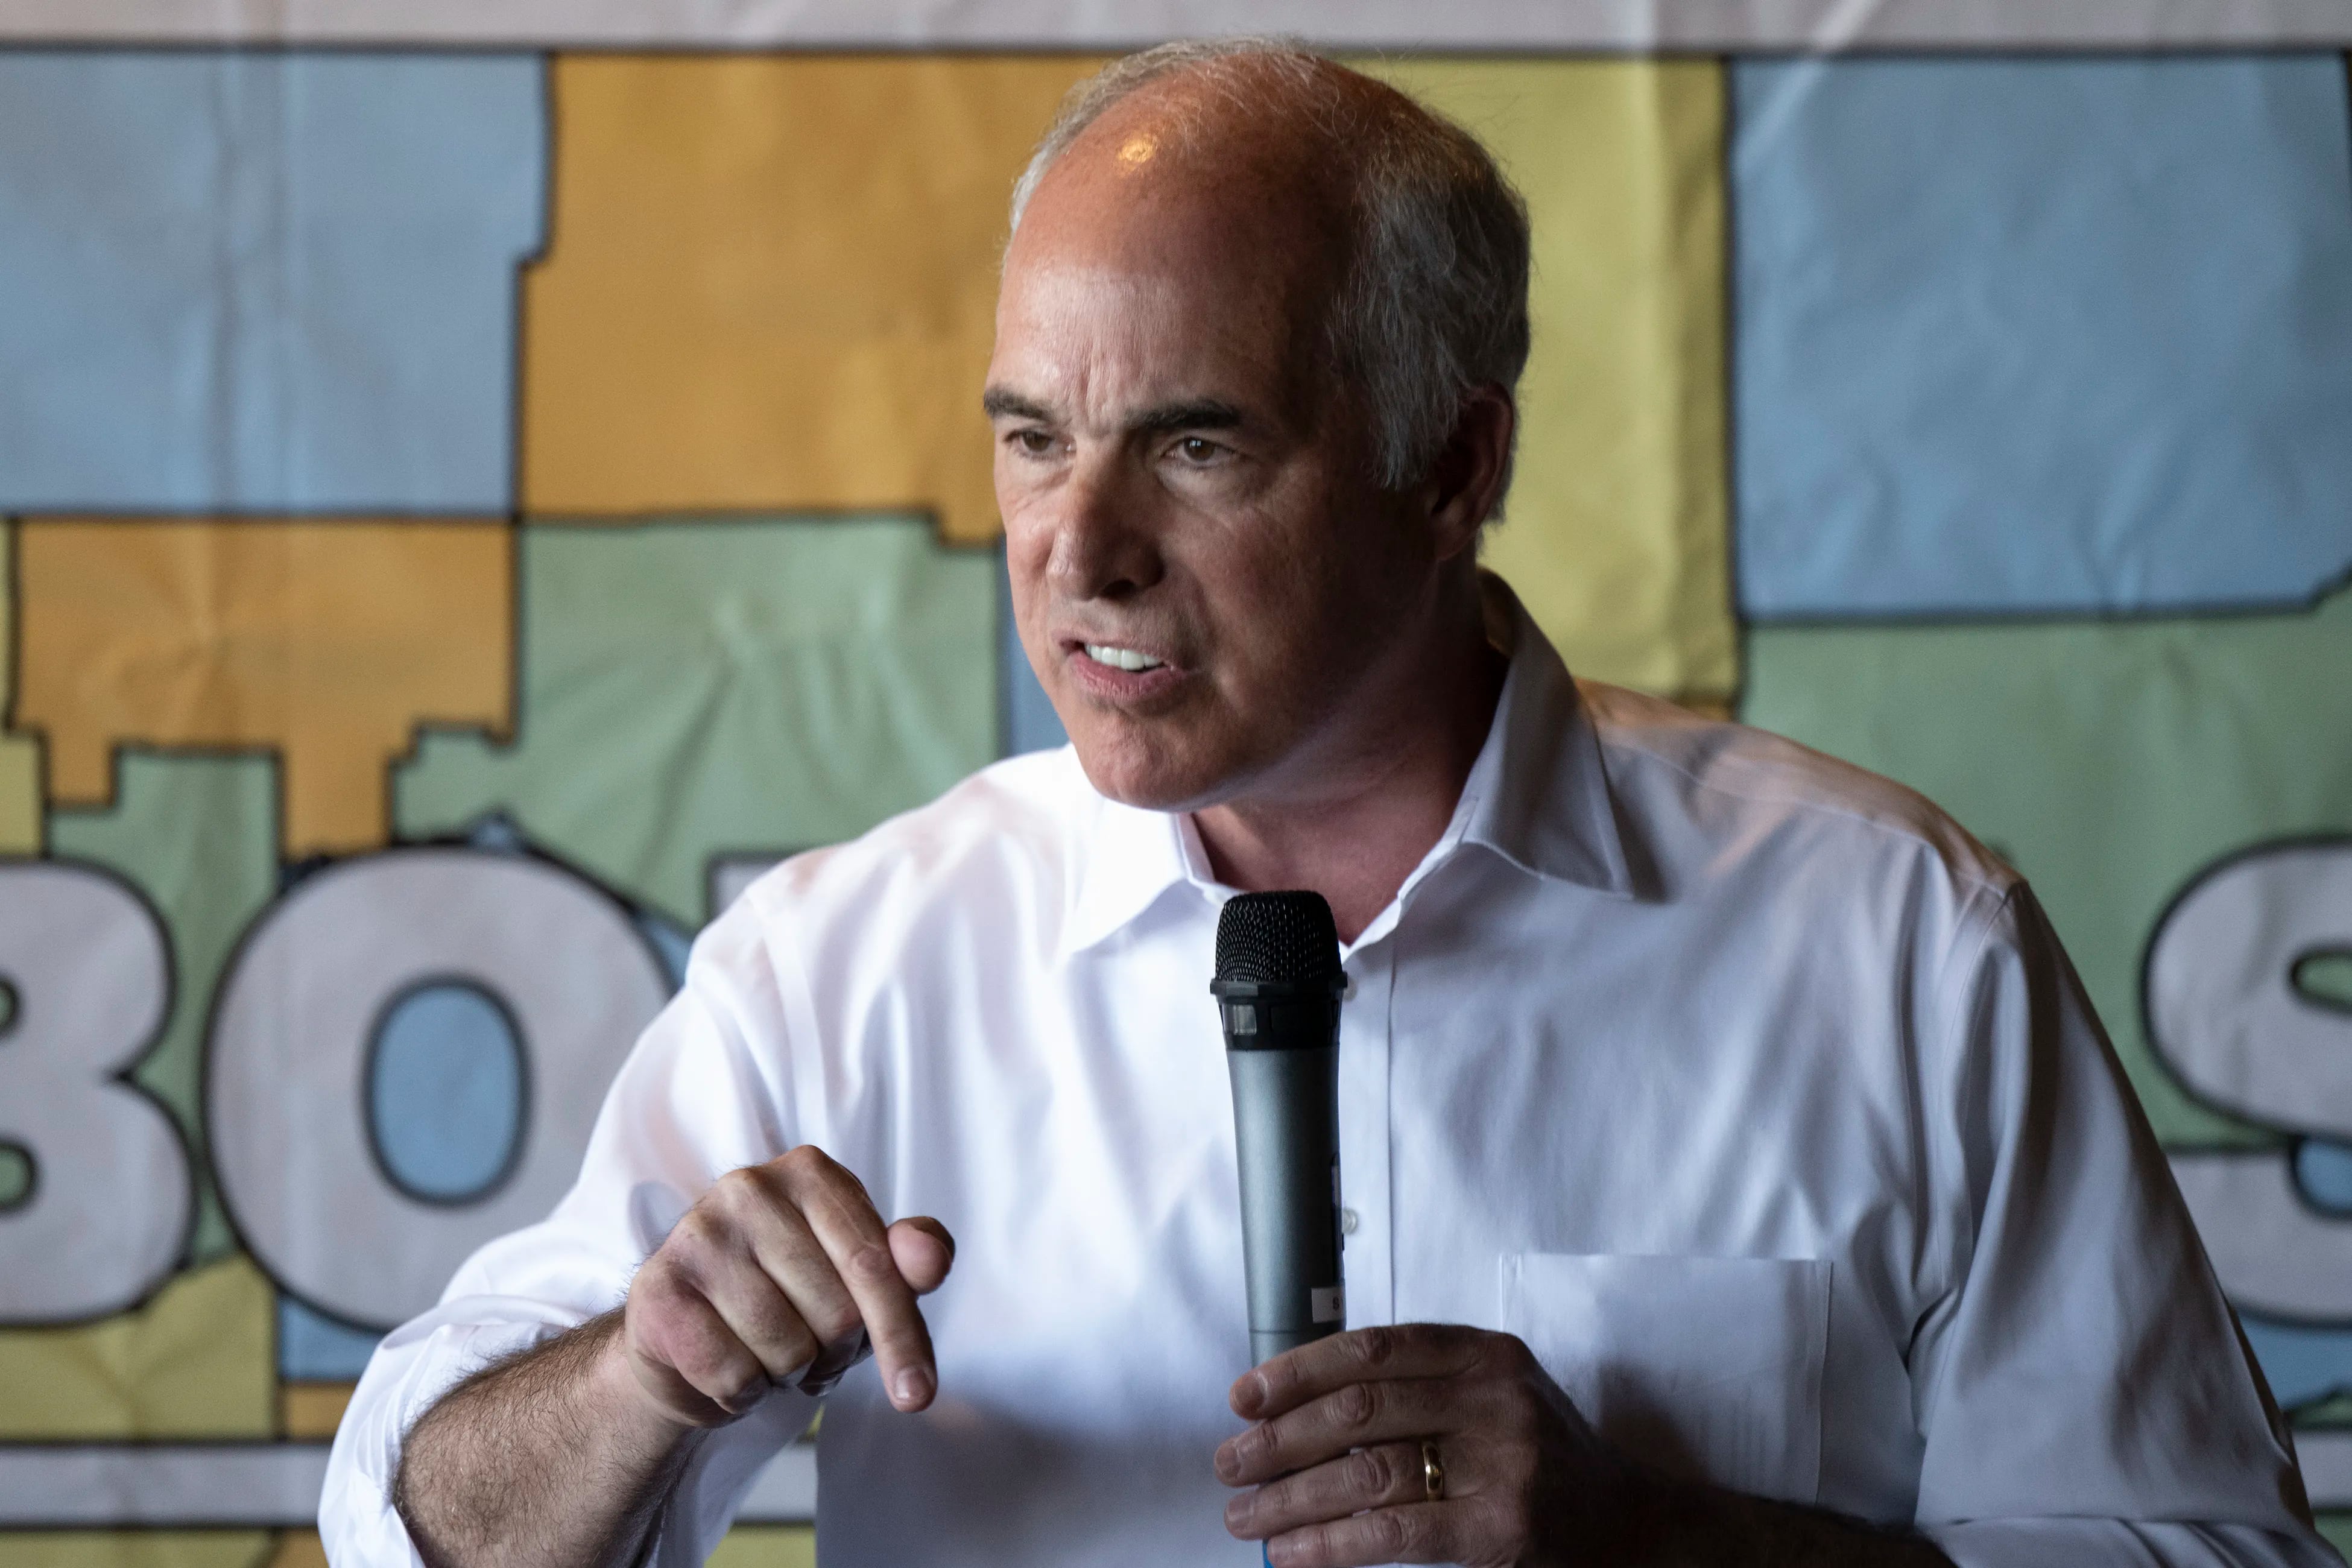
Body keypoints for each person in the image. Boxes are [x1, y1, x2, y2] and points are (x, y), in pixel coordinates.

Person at [325, 39, 2333, 1568]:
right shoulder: (848, 969)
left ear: (1451, 466)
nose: (1076, 550)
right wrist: (638, 1378)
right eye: (1032, 439)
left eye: (1193, 445)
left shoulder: (1892, 939)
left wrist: (1656, 1540)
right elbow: (407, 1523)